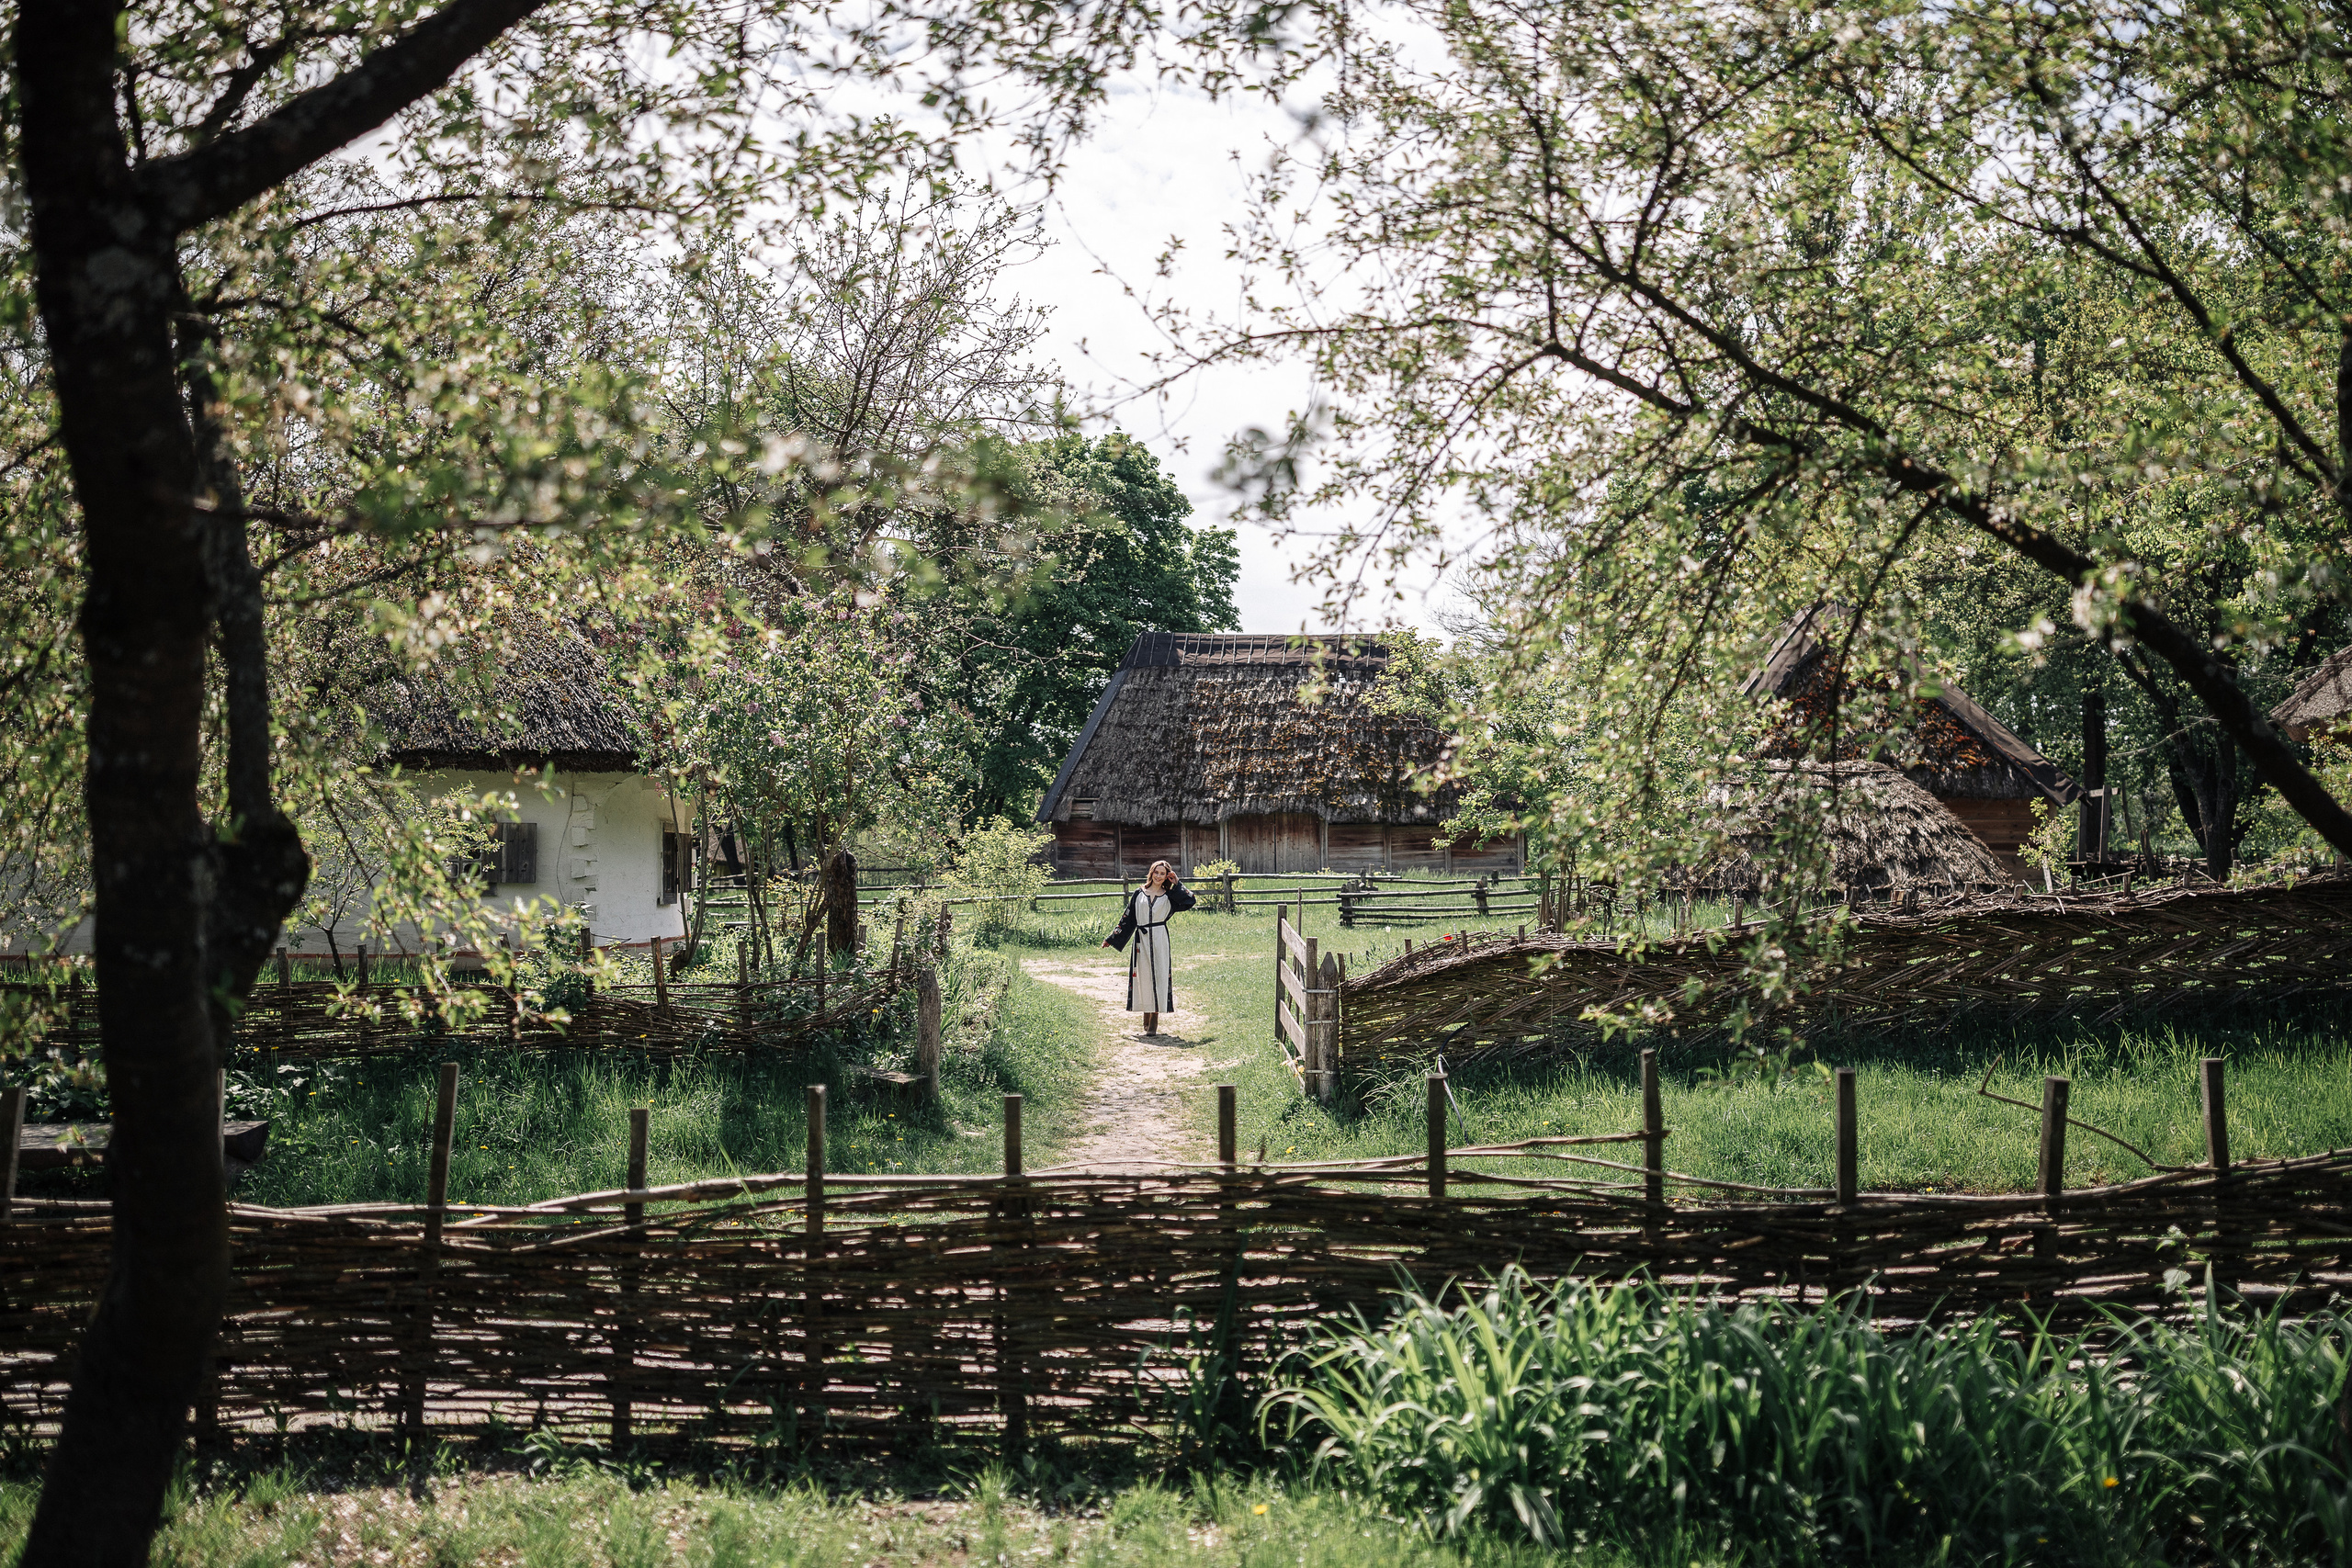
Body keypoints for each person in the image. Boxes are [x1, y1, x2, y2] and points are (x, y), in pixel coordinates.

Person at [1102, 859, 1196, 1036]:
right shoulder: (1139, 894)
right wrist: (1112, 938)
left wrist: (1177, 884)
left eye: (1163, 874)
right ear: (1151, 873)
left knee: (1159, 977)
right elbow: (1127, 918)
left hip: (1160, 939)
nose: (1159, 876)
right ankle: (1146, 1016)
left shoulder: (1170, 896)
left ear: (1166, 876)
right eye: (1156, 872)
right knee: (1144, 977)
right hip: (1142, 940)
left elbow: (1190, 901)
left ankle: (1154, 1021)